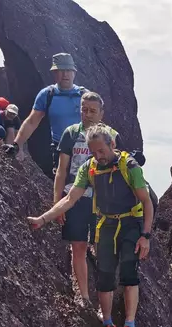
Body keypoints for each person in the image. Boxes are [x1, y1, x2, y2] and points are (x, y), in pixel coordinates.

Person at [27, 124, 153, 327]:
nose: (98, 156)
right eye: (93, 152)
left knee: (128, 272)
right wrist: (43, 219)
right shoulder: (90, 168)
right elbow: (70, 199)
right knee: (104, 276)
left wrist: (145, 236)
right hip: (105, 223)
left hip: (130, 223)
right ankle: (108, 324)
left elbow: (146, 202)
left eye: (101, 151)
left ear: (112, 145)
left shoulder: (129, 166)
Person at [55, 91, 122, 305]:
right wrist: (58, 202)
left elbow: (119, 169)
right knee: (79, 246)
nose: (88, 114)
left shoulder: (111, 135)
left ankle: (105, 301)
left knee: (103, 250)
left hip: (102, 201)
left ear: (101, 113)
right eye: (84, 109)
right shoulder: (71, 133)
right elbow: (61, 169)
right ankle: (83, 297)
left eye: (93, 110)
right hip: (75, 197)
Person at [3, 53, 86, 175]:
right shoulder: (47, 95)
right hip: (60, 150)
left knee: (85, 189)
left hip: (84, 149)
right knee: (64, 187)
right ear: (54, 73)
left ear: (74, 72)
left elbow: (97, 123)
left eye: (68, 70)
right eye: (61, 70)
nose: (65, 74)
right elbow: (31, 122)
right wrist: (16, 145)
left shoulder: (84, 95)